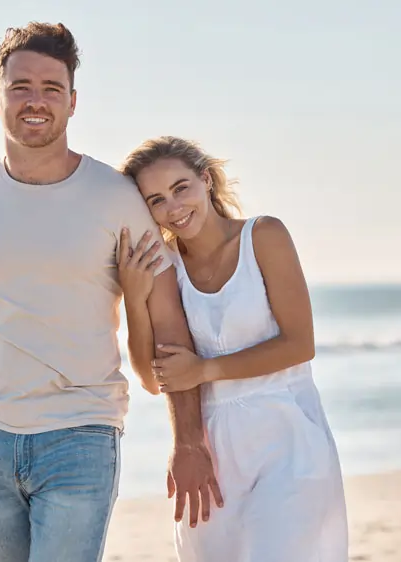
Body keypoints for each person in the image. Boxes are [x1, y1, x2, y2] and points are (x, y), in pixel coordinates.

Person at [0, 24, 221, 562]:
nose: (35, 101)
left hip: (82, 434)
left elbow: (168, 325)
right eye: (20, 86)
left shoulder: (118, 199)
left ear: (73, 102)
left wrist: (188, 441)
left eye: (52, 88)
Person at [117, 136, 349, 561]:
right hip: (215, 451)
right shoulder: (165, 266)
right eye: (156, 200)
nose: (173, 207)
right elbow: (154, 379)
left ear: (205, 180)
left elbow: (300, 345)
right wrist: (134, 298)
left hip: (288, 438)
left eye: (181, 187)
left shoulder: (263, 236)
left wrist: (205, 370)